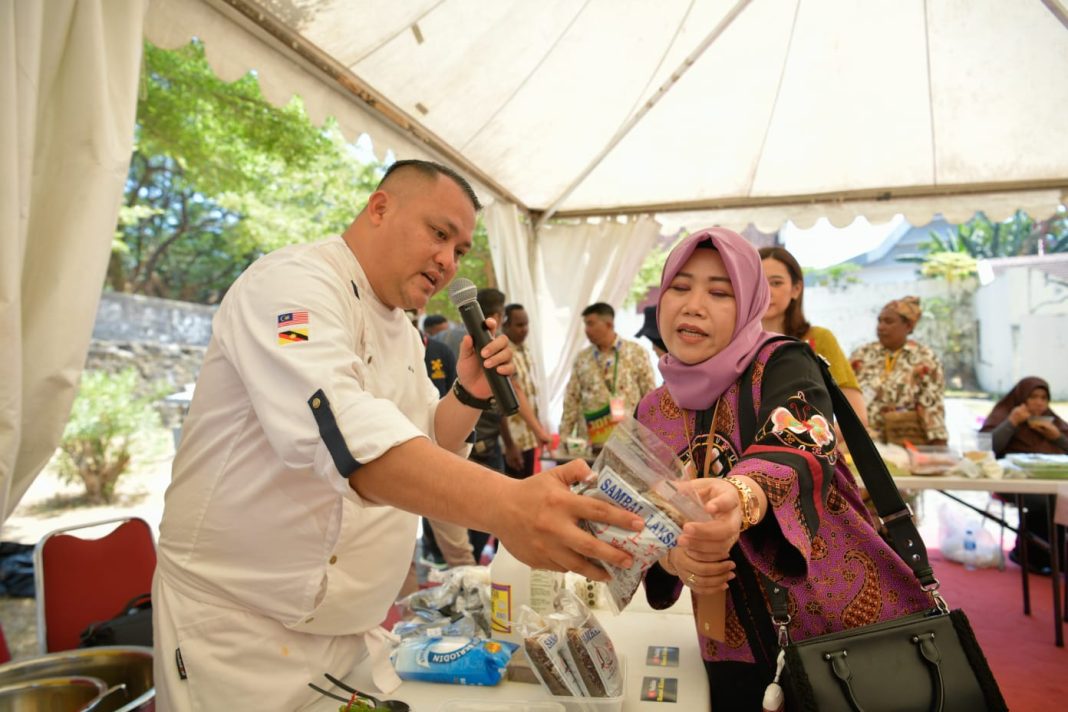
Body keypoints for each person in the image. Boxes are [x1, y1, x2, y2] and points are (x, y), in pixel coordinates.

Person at [152, 159, 643, 710]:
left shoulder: (404, 332)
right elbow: (341, 430)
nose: (447, 261)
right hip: (241, 631)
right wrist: (507, 505)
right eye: (439, 234)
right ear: (379, 208)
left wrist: (469, 392)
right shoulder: (291, 286)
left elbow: (425, 441)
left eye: (459, 250)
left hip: (347, 632)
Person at [637, 228, 930, 710]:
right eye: (679, 286)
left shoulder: (782, 361)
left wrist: (742, 496)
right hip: (727, 639)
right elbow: (637, 510)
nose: (692, 305)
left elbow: (797, 440)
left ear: (752, 301)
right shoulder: (654, 408)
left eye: (719, 292)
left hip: (834, 621)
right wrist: (673, 559)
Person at [758, 246, 868, 428]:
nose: (767, 291)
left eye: (776, 283)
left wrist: (816, 440)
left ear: (796, 289)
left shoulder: (819, 339)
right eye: (759, 284)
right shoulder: (734, 344)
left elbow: (858, 416)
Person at [981, 376, 1068, 573]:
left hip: (1051, 481)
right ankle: (1032, 555)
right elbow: (983, 448)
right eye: (1033, 397)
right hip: (1012, 482)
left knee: (1060, 497)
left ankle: (1056, 557)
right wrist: (1011, 423)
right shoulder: (1004, 414)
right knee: (1048, 502)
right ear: (1021, 398)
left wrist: (1057, 437)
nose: (1039, 402)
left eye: (1044, 398)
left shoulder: (1052, 421)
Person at [849, 296, 948, 445]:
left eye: (888, 322)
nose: (880, 327)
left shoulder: (925, 359)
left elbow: (932, 408)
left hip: (904, 444)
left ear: (908, 326)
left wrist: (937, 450)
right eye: (879, 321)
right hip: (860, 442)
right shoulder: (862, 355)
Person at [559, 302, 656, 448]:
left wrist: (650, 440)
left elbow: (649, 396)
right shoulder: (582, 358)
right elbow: (571, 400)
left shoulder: (636, 352)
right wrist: (564, 438)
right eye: (585, 324)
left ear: (608, 324)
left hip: (627, 441)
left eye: (590, 324)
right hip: (592, 442)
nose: (586, 330)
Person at [502, 303, 551, 478]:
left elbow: (529, 396)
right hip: (513, 441)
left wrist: (538, 429)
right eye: (519, 325)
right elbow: (504, 402)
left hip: (528, 437)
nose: (525, 330)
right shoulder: (502, 352)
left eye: (526, 324)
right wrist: (509, 445)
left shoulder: (526, 351)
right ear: (505, 325)